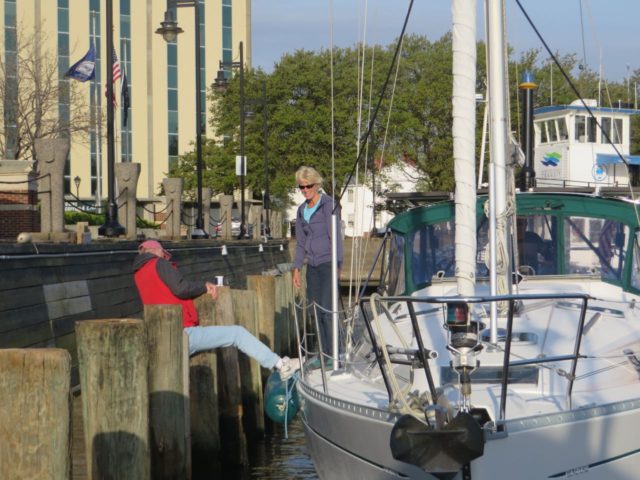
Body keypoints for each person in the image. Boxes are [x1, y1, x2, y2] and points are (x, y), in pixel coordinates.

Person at [133, 239, 296, 380]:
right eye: (163, 253)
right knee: (237, 333)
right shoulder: (158, 263)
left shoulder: (138, 272)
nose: (165, 257)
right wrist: (204, 286)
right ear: (156, 251)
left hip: (160, 334)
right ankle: (281, 364)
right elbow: (181, 288)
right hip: (182, 333)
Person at [292, 166, 343, 354]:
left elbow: (336, 238)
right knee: (314, 310)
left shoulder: (328, 205)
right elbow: (300, 243)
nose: (305, 190)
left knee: (327, 311)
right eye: (301, 187)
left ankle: (334, 354)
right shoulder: (300, 211)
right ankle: (323, 353)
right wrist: (296, 269)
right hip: (311, 266)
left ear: (317, 184)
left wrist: (339, 265)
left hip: (328, 263)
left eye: (308, 186)